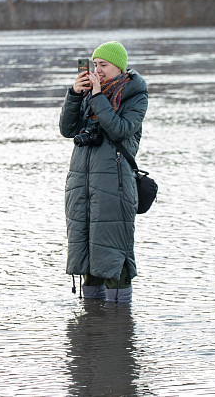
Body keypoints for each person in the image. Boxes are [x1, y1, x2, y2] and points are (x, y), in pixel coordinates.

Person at [59, 41, 148, 303]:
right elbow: (67, 129)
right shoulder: (88, 94)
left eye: (103, 65)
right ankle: (93, 324)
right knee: (87, 254)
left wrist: (97, 97)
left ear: (119, 67)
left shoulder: (135, 97)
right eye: (94, 64)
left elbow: (119, 129)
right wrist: (75, 95)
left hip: (114, 188)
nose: (97, 70)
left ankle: (118, 328)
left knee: (113, 254)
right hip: (82, 187)